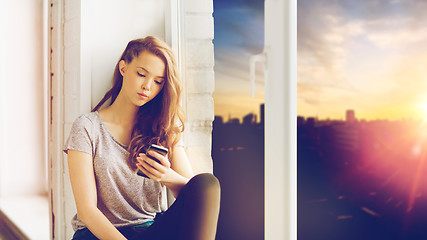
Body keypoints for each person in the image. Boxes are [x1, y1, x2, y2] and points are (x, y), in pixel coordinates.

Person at [64, 36, 221, 240]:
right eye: (141, 74)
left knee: (207, 185)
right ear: (123, 68)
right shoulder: (87, 127)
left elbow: (193, 196)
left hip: (150, 230)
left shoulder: (164, 127)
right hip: (98, 234)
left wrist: (166, 176)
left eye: (158, 82)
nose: (148, 86)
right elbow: (87, 211)